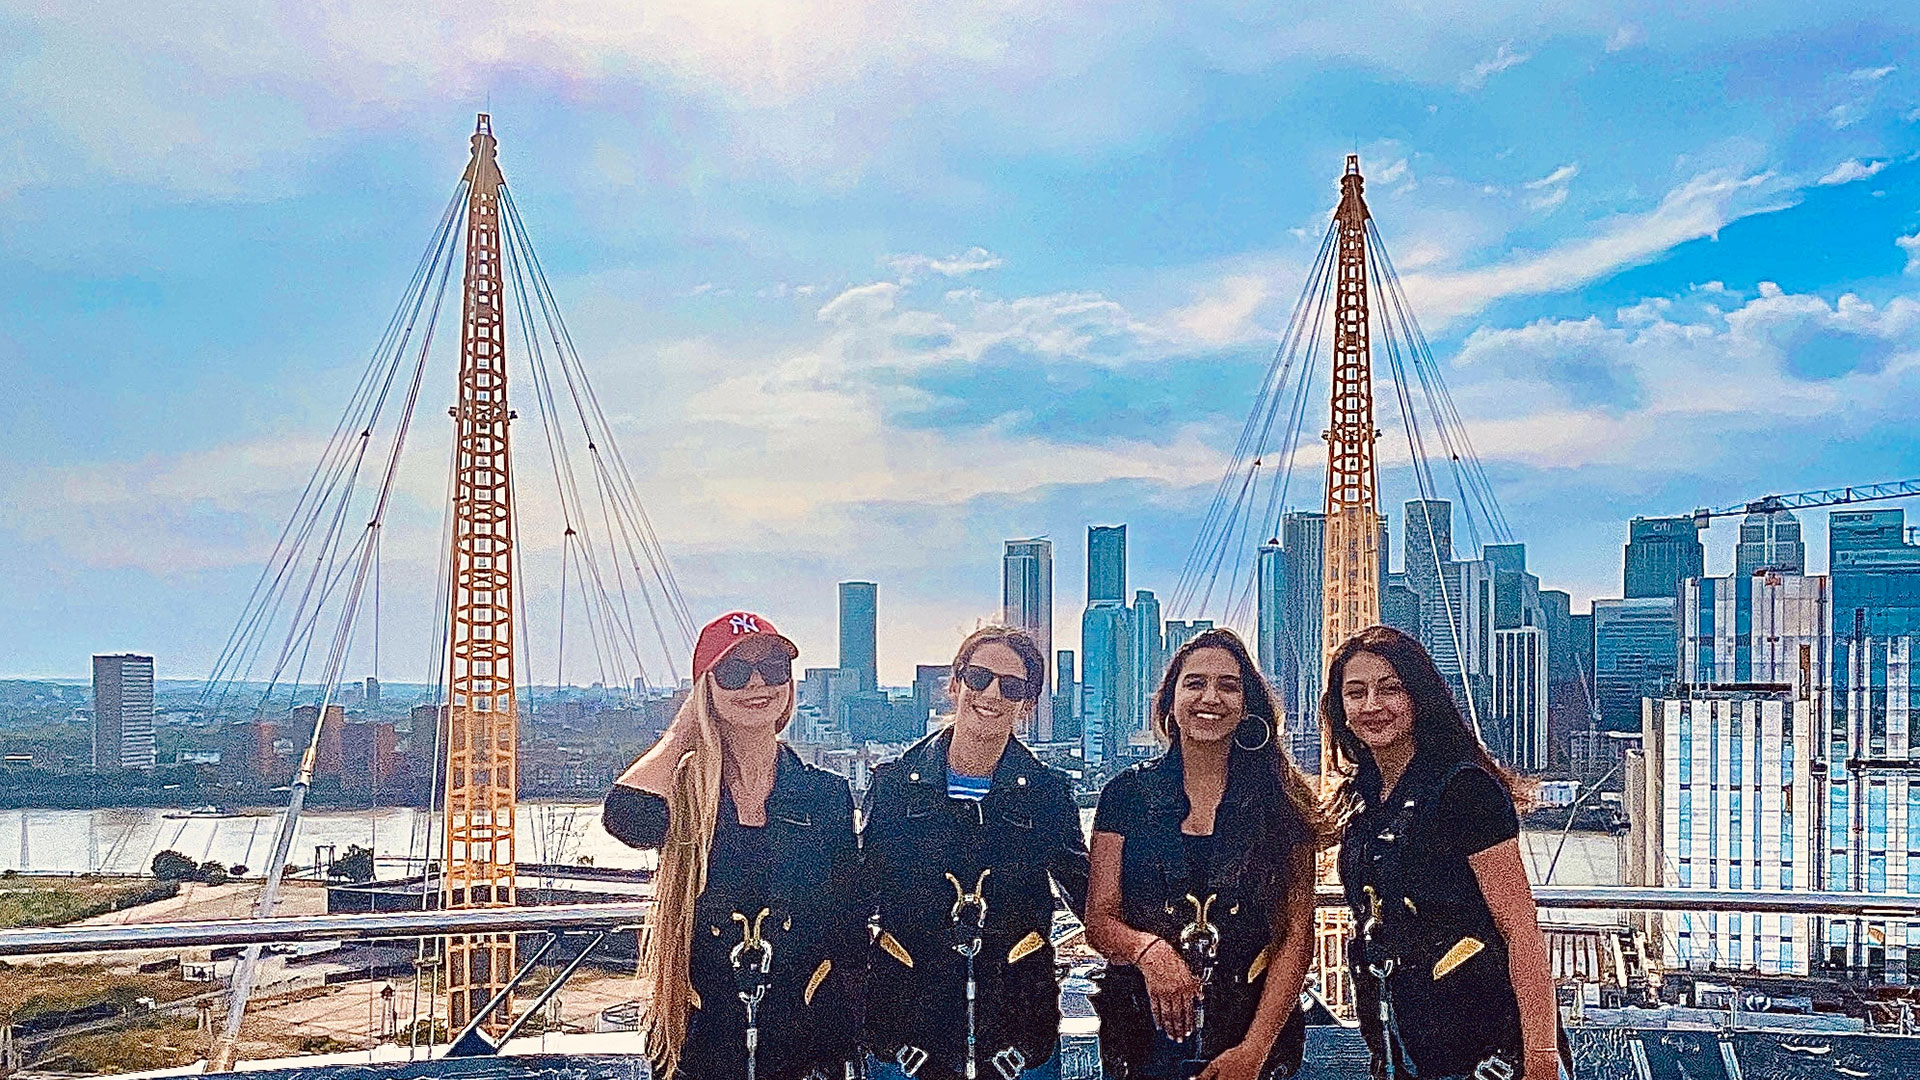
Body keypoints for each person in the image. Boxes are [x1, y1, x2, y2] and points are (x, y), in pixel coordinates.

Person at [601, 611, 863, 1080]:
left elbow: (846, 929)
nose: (757, 684)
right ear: (708, 689)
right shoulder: (686, 796)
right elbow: (625, 817)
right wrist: (685, 730)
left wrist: (840, 1044)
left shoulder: (825, 796)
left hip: (803, 1054)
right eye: (735, 672)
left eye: (774, 668)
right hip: (701, 1048)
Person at [1325, 626, 1566, 1080]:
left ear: (1419, 697)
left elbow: (1520, 931)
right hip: (1404, 1041)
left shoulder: (1463, 788)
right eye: (1355, 693)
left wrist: (1540, 1057)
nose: (1372, 706)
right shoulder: (1364, 796)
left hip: (1484, 1044)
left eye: (1390, 688)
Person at [1085, 627, 1320, 1080]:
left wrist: (1253, 1052)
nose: (1210, 697)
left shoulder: (1283, 801)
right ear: (1170, 701)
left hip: (1255, 1042)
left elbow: (1296, 936)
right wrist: (1149, 952)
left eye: (1228, 686)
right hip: (1142, 1040)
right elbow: (1100, 919)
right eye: (1194, 683)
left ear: (1247, 704)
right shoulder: (1125, 796)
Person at [861, 625, 1090, 1080]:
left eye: (1012, 686)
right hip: (904, 1043)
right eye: (979, 677)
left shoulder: (1047, 795)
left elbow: (1093, 902)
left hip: (1019, 1044)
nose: (991, 694)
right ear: (956, 682)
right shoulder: (893, 787)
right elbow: (853, 905)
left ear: (1027, 703)